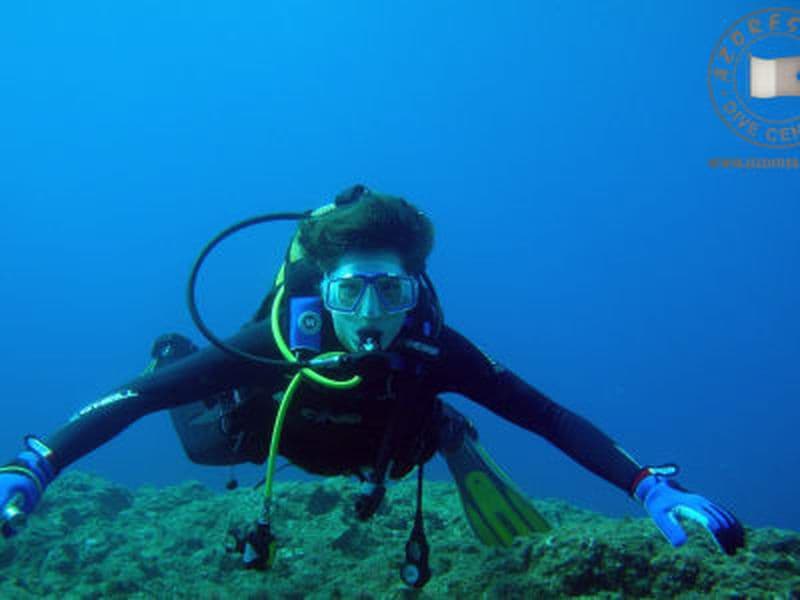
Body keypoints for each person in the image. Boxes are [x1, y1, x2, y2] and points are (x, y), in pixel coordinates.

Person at [0, 185, 744, 588]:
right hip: (278, 425)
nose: (371, 317)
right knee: (196, 436)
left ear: (413, 286)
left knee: (415, 436)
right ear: (323, 287)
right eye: (352, 291)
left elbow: (546, 416)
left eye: (391, 292)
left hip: (389, 438)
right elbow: (137, 397)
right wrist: (42, 461)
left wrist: (649, 486)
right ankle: (179, 349)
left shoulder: (432, 345)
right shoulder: (283, 339)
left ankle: (446, 429)